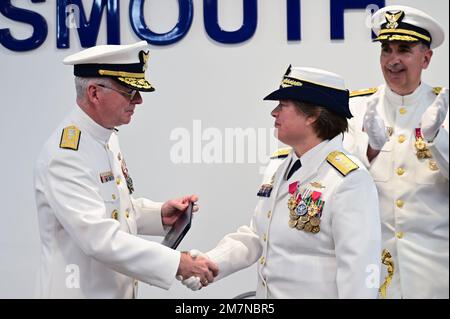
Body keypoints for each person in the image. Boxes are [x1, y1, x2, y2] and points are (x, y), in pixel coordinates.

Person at [34, 41, 218, 298]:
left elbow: (112, 209)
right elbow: (99, 238)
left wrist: (158, 214)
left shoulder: (104, 136)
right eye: (129, 91)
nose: (139, 100)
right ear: (94, 93)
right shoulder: (66, 155)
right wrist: (178, 263)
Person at [179, 66, 381, 298]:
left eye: (283, 105)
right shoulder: (280, 165)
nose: (274, 113)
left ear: (313, 114)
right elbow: (257, 236)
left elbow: (359, 270)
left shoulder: (349, 179)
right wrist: (210, 262)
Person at [343, 6, 449, 298]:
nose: (393, 60)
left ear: (426, 58)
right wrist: (371, 149)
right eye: (386, 50)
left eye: (404, 50)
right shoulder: (355, 108)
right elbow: (339, 187)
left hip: (435, 272)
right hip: (372, 269)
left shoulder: (444, 108)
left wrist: (437, 138)